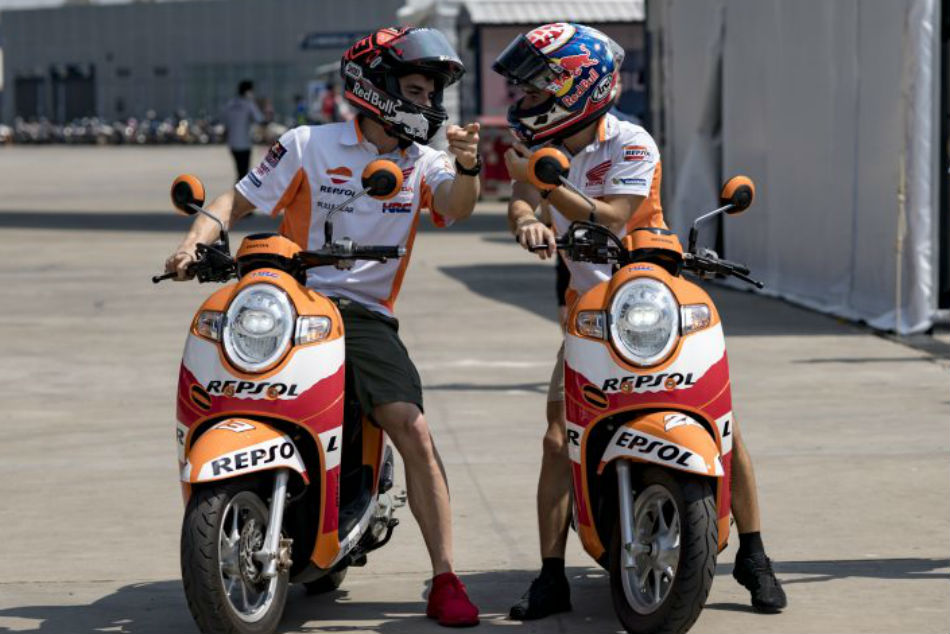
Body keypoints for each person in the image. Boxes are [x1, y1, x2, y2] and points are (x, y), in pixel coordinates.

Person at [165, 27, 483, 627]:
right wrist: (190, 246)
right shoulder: (308, 144)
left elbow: (457, 204)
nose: (428, 105)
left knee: (411, 428)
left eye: (430, 93)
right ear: (378, 88)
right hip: (285, 297)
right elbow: (237, 200)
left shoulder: (424, 162)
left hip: (361, 316)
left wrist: (468, 165)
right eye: (415, 90)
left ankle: (445, 576)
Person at [492, 22, 787, 619]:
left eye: (532, 87)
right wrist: (525, 214)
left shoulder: (632, 142)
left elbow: (612, 215)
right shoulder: (539, 149)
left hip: (654, 300)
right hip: (590, 313)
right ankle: (551, 575)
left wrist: (545, 181)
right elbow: (521, 199)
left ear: (572, 87)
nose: (519, 100)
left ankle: (754, 554)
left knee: (721, 427)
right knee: (557, 440)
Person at [221, 79, 265, 181]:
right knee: (244, 172)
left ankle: (237, 192)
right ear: (248, 91)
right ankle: (239, 194)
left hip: (232, 143)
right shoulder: (248, 104)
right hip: (244, 143)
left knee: (239, 170)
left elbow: (225, 122)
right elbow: (260, 119)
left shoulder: (230, 104)